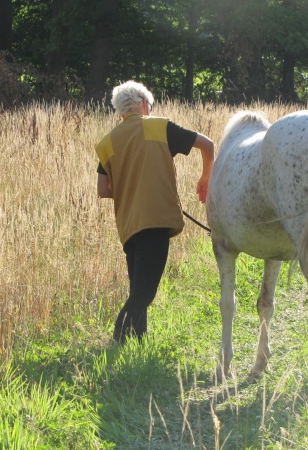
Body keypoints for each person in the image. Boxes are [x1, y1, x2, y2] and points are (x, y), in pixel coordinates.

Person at [95, 80, 214, 344]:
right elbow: (207, 145)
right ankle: (116, 339)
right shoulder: (159, 126)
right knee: (145, 293)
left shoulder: (108, 143)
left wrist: (129, 188)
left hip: (128, 225)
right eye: (150, 104)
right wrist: (206, 178)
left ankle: (138, 342)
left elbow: (103, 189)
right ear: (143, 104)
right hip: (155, 219)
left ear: (120, 110)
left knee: (138, 287)